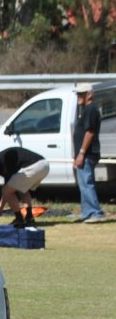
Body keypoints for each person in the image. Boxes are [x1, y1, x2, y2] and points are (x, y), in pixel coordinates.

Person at [0, 147, 48, 227]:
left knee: (6, 191)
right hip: (44, 165)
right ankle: (29, 218)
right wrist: (1, 207)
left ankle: (19, 219)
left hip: (34, 166)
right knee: (21, 189)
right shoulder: (4, 160)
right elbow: (9, 187)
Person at [73, 82, 106, 223]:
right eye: (78, 94)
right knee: (83, 183)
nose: (79, 97)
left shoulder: (91, 109)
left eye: (81, 94)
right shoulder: (85, 110)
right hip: (84, 154)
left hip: (87, 154)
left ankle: (95, 212)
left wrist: (81, 153)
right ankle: (87, 212)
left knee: (86, 182)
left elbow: (90, 132)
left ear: (90, 94)